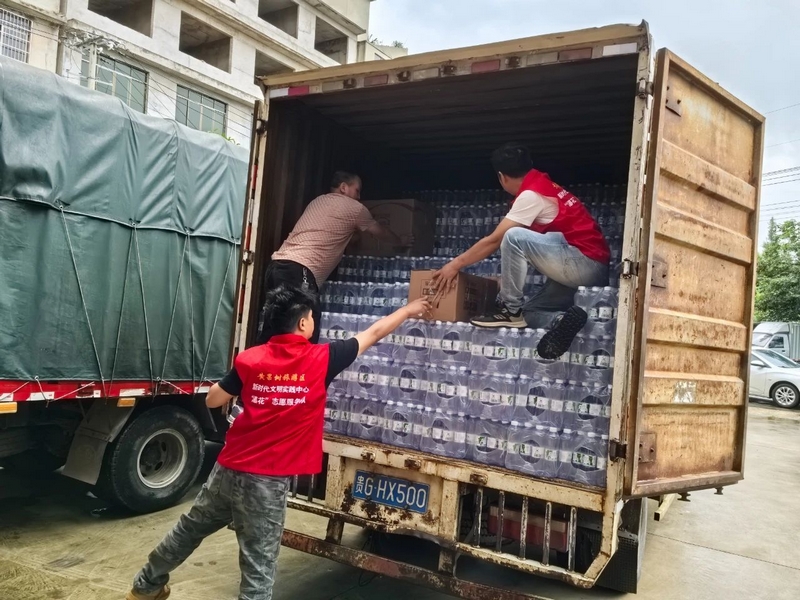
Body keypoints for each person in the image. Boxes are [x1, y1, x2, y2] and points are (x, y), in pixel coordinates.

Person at [126, 285, 431, 600]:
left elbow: (215, 399)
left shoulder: (251, 359)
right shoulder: (323, 358)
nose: (313, 322)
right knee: (259, 565)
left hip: (227, 469)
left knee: (188, 531)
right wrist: (409, 310)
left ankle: (143, 588)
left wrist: (250, 389)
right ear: (302, 324)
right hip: (267, 481)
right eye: (311, 317)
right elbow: (375, 332)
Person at [432, 143, 609, 359]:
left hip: (584, 265)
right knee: (528, 314)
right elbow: (543, 248)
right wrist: (504, 279)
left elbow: (493, 241)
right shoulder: (544, 185)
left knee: (513, 236)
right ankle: (560, 322)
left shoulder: (531, 196)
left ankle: (509, 309)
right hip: (579, 269)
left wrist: (454, 264)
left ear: (501, 177)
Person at [257, 171, 407, 345]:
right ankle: (302, 372)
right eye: (357, 190)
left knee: (273, 328)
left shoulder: (318, 201)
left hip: (277, 266)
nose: (359, 197)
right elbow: (380, 232)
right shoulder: (355, 208)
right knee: (306, 329)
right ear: (344, 188)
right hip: (299, 271)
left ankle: (258, 370)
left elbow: (334, 234)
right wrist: (400, 241)